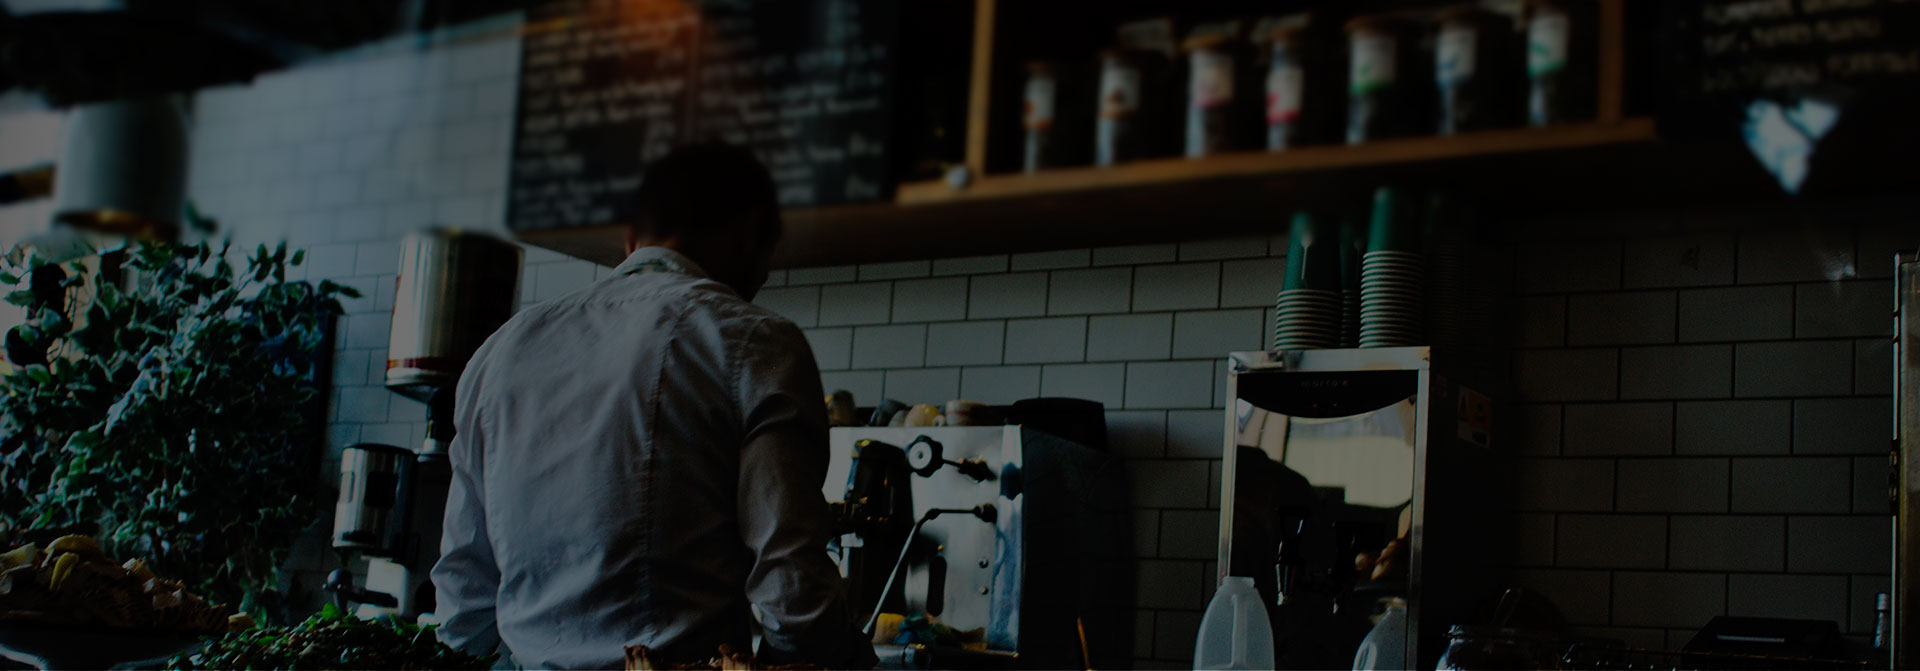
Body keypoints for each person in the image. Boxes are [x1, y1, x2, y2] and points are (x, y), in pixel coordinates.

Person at [431, 143, 875, 670]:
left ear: (630, 237)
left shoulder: (500, 351)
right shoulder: (753, 340)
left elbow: (465, 588)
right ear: (748, 237)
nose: (763, 279)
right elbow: (793, 588)